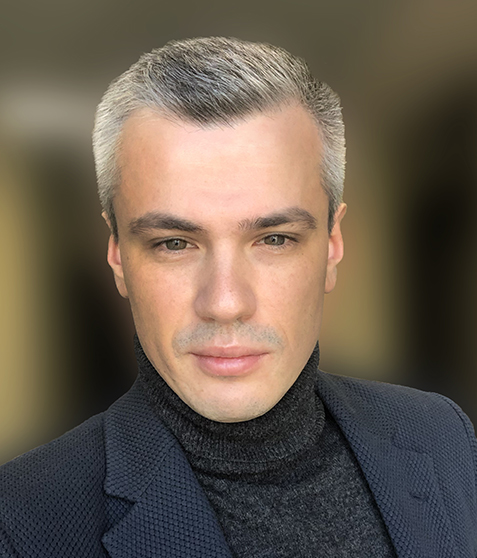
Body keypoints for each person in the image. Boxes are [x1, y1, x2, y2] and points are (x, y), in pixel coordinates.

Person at [0, 37, 476, 558]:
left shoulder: (442, 435)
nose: (225, 302)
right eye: (174, 243)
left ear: (333, 247)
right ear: (117, 257)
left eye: (275, 239)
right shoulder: (21, 521)